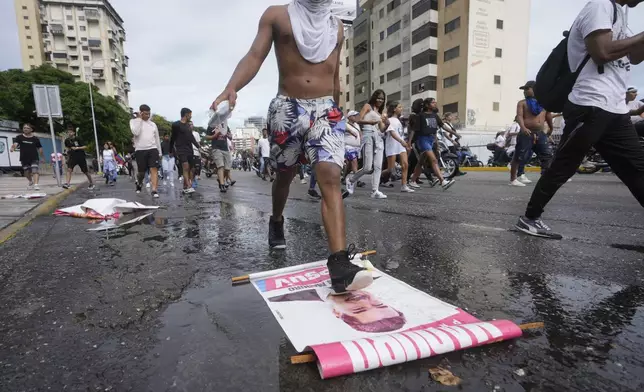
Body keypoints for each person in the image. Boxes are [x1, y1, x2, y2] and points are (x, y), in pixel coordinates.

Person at [212, 0, 372, 294]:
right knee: (285, 175)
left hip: (325, 109)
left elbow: (335, 76)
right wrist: (232, 86)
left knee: (330, 177)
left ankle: (339, 265)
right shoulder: (277, 15)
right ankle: (276, 220)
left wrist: (340, 113)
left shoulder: (336, 26)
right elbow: (254, 56)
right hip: (288, 108)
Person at [516, 0, 644, 239]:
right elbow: (602, 52)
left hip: (615, 109)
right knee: (564, 165)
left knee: (637, 168)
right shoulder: (600, 6)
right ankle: (529, 218)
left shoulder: (620, 15)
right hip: (589, 104)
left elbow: (635, 57)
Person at [509, 81, 554, 187]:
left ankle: (545, 177)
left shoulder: (543, 103)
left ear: (535, 89)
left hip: (540, 133)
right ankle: (513, 179)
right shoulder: (522, 103)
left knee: (547, 155)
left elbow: (548, 115)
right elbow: (519, 116)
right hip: (527, 132)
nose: (524, 91)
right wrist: (523, 127)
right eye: (524, 89)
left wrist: (551, 128)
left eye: (527, 89)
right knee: (519, 156)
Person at [346, 90, 388, 198]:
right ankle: (351, 180)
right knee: (367, 167)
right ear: (374, 97)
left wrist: (387, 124)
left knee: (378, 166)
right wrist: (370, 123)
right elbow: (358, 120)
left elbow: (382, 129)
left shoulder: (380, 113)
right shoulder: (367, 106)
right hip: (368, 135)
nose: (380, 100)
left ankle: (375, 190)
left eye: (382, 99)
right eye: (378, 98)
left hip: (378, 137)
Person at [408, 98, 455, 190]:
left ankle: (413, 181)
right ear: (427, 105)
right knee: (433, 160)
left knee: (421, 161)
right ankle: (442, 181)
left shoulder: (435, 116)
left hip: (431, 139)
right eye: (433, 102)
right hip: (422, 139)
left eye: (435, 102)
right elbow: (413, 129)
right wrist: (409, 142)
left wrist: (454, 133)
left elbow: (442, 127)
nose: (435, 104)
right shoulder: (420, 116)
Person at [130, 105, 162, 198]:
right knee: (142, 173)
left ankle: (154, 190)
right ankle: (139, 183)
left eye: (149, 114)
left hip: (152, 149)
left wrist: (159, 152)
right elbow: (135, 132)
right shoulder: (134, 122)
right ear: (141, 112)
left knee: (154, 169)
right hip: (140, 150)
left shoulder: (153, 124)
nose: (148, 116)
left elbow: (157, 139)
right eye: (145, 114)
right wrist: (139, 119)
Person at [384, 101, 414, 192]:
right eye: (400, 107)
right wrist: (401, 141)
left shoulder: (399, 120)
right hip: (392, 145)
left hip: (400, 145)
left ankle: (404, 186)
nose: (402, 109)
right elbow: (392, 133)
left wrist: (405, 143)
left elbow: (400, 133)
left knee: (405, 165)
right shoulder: (389, 120)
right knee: (390, 169)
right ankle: (378, 176)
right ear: (394, 109)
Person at [170, 108, 200, 194]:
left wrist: (198, 147)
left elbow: (191, 138)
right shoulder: (176, 125)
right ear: (186, 114)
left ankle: (185, 187)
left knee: (191, 168)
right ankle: (189, 186)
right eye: (190, 114)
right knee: (185, 166)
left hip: (189, 149)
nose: (191, 116)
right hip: (180, 149)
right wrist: (170, 149)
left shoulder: (188, 125)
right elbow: (173, 137)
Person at [10, 123, 44, 190]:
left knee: (35, 171)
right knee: (26, 172)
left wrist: (42, 157)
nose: (25, 129)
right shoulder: (19, 137)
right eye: (24, 128)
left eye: (27, 128)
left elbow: (40, 148)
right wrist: (13, 148)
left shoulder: (35, 139)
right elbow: (15, 144)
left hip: (34, 157)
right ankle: (30, 181)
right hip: (24, 158)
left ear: (31, 130)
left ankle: (36, 185)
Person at [62, 124, 95, 190]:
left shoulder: (78, 138)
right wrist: (66, 153)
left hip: (80, 157)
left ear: (74, 132)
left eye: (70, 132)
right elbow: (68, 148)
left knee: (85, 171)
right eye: (68, 132)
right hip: (72, 157)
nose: (69, 133)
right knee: (69, 169)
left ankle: (91, 183)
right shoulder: (67, 140)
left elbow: (85, 146)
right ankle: (67, 184)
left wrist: (77, 148)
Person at [205, 122, 235, 192]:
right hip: (216, 148)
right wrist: (215, 135)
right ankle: (222, 185)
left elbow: (230, 137)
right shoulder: (211, 125)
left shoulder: (226, 126)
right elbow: (207, 137)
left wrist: (229, 136)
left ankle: (220, 179)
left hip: (225, 149)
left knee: (227, 169)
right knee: (220, 166)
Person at [344, 110, 362, 185]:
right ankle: (357, 180)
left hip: (357, 147)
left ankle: (343, 177)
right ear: (349, 117)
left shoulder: (357, 125)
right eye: (354, 116)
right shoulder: (345, 124)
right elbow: (344, 129)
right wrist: (350, 131)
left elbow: (360, 134)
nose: (356, 117)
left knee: (350, 165)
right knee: (354, 161)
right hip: (348, 146)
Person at [191, 122, 202, 189]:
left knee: (196, 167)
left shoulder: (196, 133)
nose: (191, 125)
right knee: (190, 167)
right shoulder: (185, 133)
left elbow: (198, 143)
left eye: (192, 124)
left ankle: (194, 179)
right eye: (189, 124)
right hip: (188, 152)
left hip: (196, 152)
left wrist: (200, 152)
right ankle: (191, 181)